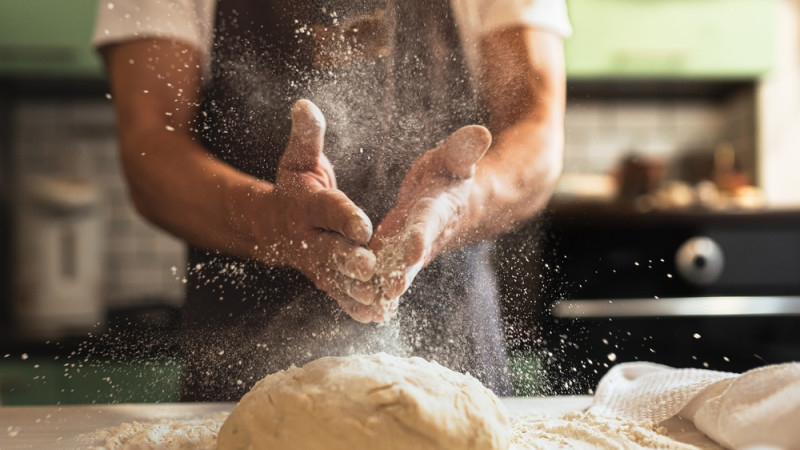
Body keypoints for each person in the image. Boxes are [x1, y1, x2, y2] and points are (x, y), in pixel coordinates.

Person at [94, 0, 570, 401]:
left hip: (454, 350)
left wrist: (457, 205)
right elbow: (150, 150)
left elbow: (537, 132)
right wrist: (270, 222)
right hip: (241, 364)